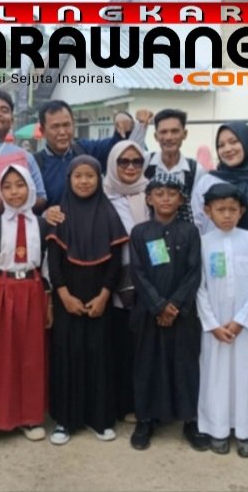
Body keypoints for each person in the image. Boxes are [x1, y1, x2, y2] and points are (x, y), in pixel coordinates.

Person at [0, 164, 52, 463]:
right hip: (2, 290)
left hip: (32, 289)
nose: (14, 192)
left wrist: (49, 304)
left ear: (30, 187)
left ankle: (28, 416)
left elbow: (47, 266)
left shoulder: (41, 224)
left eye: (20, 185)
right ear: (0, 192)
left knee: (30, 355)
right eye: (7, 187)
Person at [47, 155, 128, 445]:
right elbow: (53, 262)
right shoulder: (60, 215)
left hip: (100, 299)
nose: (84, 181)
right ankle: (64, 421)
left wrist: (105, 295)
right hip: (66, 298)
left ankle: (100, 419)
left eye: (90, 176)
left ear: (99, 179)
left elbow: (115, 262)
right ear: (69, 179)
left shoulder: (109, 213)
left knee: (99, 355)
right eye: (78, 176)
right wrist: (64, 295)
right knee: (67, 355)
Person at [128, 173, 207, 452]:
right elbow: (137, 272)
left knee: (185, 365)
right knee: (147, 365)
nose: (165, 199)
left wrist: (174, 305)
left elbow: (194, 272)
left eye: (171, 194)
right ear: (149, 199)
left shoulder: (190, 232)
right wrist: (159, 305)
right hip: (148, 312)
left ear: (181, 200)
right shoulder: (139, 232)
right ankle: (146, 420)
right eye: (159, 193)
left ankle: (190, 420)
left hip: (182, 313)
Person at [196, 183, 248, 458]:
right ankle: (218, 429)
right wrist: (212, 324)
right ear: (207, 211)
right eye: (220, 209)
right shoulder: (203, 243)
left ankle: (245, 431)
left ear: (241, 211)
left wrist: (241, 320)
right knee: (215, 376)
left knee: (245, 374)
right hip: (213, 326)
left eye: (232, 210)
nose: (226, 215)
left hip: (243, 326)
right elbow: (199, 286)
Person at [103, 140, 151, 423]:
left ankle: (141, 404)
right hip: (110, 280)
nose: (131, 167)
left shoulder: (151, 194)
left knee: (142, 345)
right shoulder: (103, 195)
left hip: (147, 280)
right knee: (117, 343)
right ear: (113, 164)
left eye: (136, 162)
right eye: (123, 162)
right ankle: (119, 402)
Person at [35, 100, 152, 209]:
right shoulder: (35, 164)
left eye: (66, 125)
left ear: (73, 124)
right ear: (42, 131)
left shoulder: (86, 150)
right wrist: (45, 215)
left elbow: (117, 146)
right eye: (55, 127)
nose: (62, 132)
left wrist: (123, 119)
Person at [192, 122, 248, 235]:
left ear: (247, 142)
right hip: (211, 246)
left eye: (233, 142)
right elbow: (196, 223)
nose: (227, 149)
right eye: (221, 145)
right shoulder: (207, 182)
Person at [145, 109, 207, 222]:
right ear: (155, 136)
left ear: (184, 134)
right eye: (163, 132)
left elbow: (198, 210)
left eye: (174, 131)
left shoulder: (195, 170)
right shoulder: (145, 163)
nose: (169, 137)